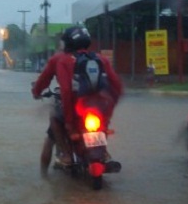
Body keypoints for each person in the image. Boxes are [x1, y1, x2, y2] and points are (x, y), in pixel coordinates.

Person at [31, 26, 123, 168]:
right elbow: (117, 86)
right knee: (102, 125)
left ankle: (65, 155)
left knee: (54, 116)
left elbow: (62, 89)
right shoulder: (100, 59)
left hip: (74, 111)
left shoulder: (60, 59)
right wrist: (108, 115)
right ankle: (103, 152)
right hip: (99, 110)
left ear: (67, 43)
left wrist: (36, 92)